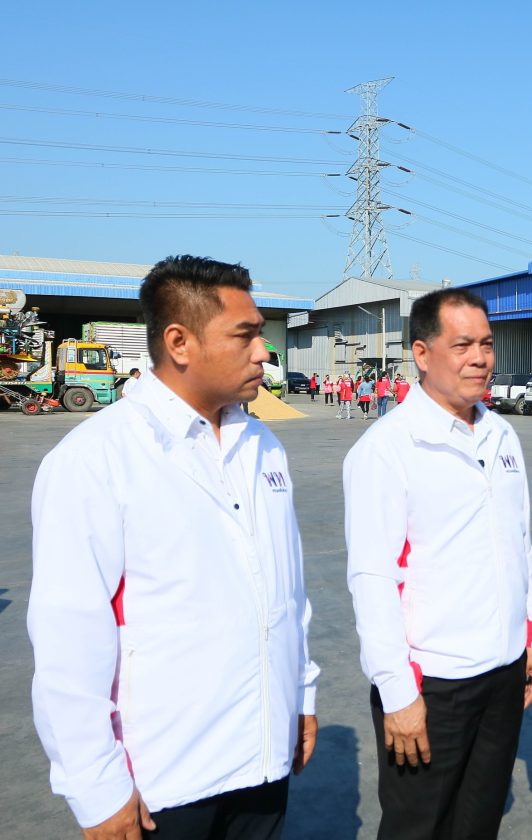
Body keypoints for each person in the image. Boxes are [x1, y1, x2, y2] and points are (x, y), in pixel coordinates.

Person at [27, 255, 320, 840]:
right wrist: (95, 787)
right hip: (165, 782)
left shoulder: (263, 446)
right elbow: (68, 638)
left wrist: (300, 694)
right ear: (179, 342)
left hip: (263, 756)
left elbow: (287, 591)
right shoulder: (97, 459)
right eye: (245, 334)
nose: (263, 351)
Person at [344, 287, 532, 840]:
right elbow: (372, 578)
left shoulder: (501, 433)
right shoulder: (388, 448)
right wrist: (398, 693)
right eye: (462, 345)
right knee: (419, 826)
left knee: (478, 822)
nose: (479, 358)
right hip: (432, 685)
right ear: (421, 353)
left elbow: (518, 544)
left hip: (503, 675)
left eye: (486, 344)